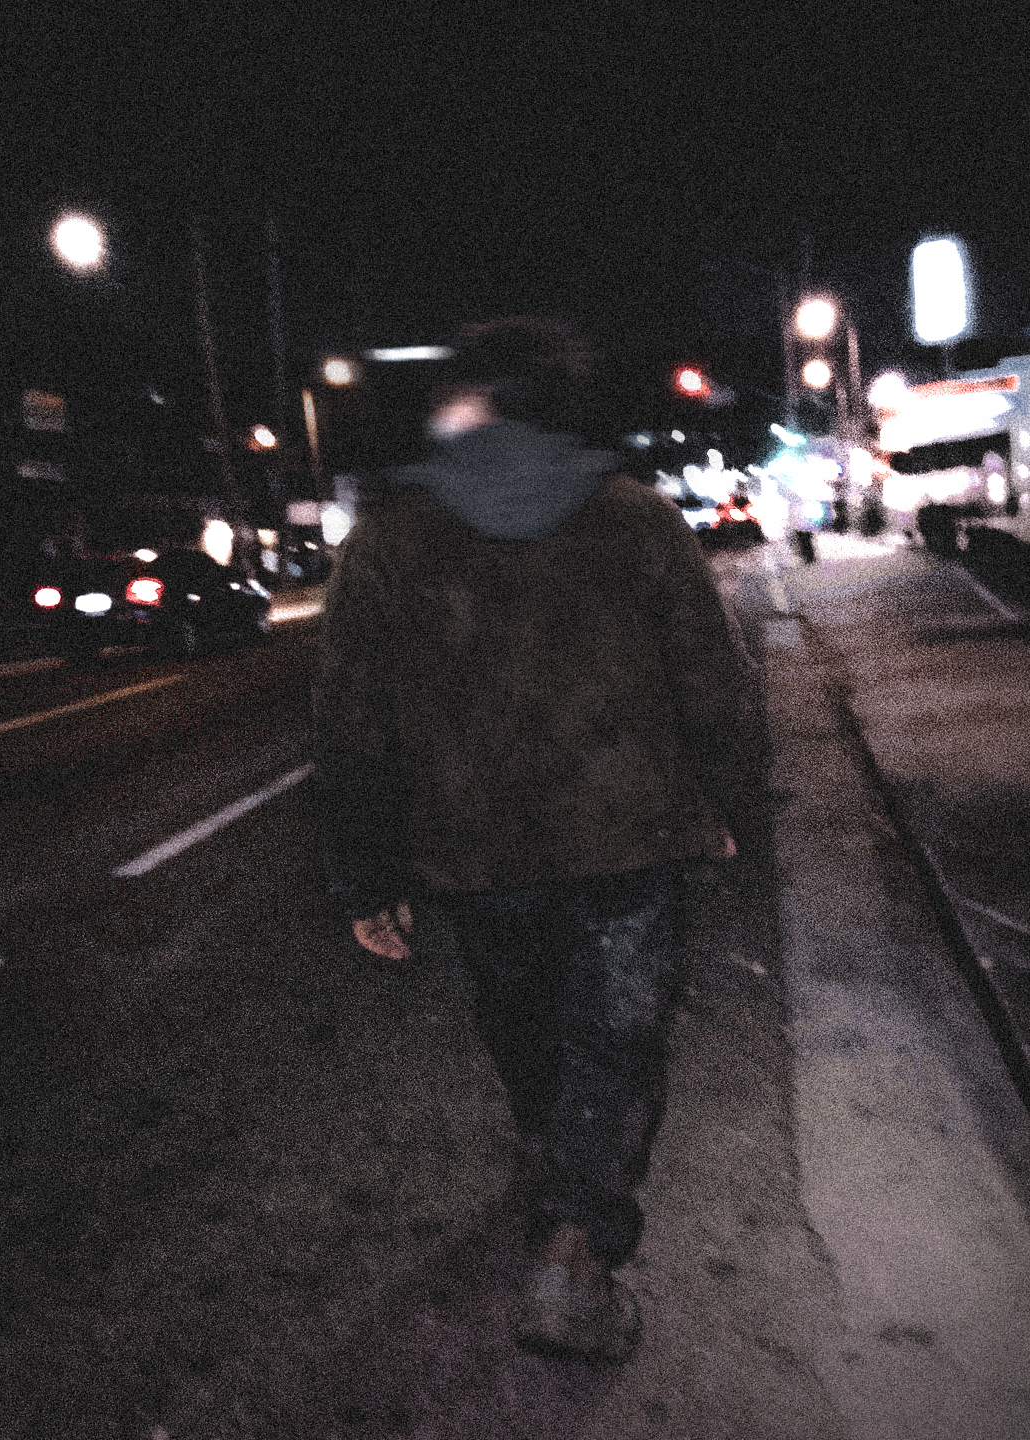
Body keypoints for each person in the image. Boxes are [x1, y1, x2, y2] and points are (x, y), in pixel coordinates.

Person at [315, 317, 761, 1364]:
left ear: (473, 403)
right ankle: (577, 1246)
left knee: (525, 1022)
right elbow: (713, 683)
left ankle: (555, 1175)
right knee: (617, 1042)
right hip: (627, 838)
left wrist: (367, 876)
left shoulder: (388, 543)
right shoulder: (637, 521)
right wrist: (728, 806)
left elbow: (351, 727)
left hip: (477, 855)